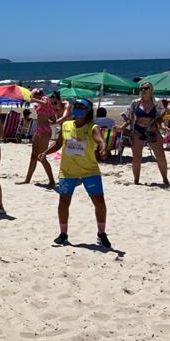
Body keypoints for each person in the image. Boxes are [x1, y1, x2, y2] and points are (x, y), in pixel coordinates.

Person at [39, 98, 110, 248]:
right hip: (68, 171)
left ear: (88, 111)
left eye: (81, 107)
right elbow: (58, 143)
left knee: (99, 202)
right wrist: (45, 152)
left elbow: (100, 140)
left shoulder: (92, 127)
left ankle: (101, 233)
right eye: (75, 106)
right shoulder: (66, 125)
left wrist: (103, 147)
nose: (77, 109)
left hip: (89, 170)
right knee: (64, 202)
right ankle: (63, 234)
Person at [127, 82, 169, 186]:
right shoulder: (135, 103)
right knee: (137, 157)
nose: (143, 90)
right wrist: (122, 127)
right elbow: (129, 117)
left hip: (152, 130)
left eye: (145, 88)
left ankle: (165, 179)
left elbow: (159, 118)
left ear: (151, 90)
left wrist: (162, 126)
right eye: (141, 88)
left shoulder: (156, 102)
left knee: (160, 156)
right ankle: (136, 181)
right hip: (138, 130)